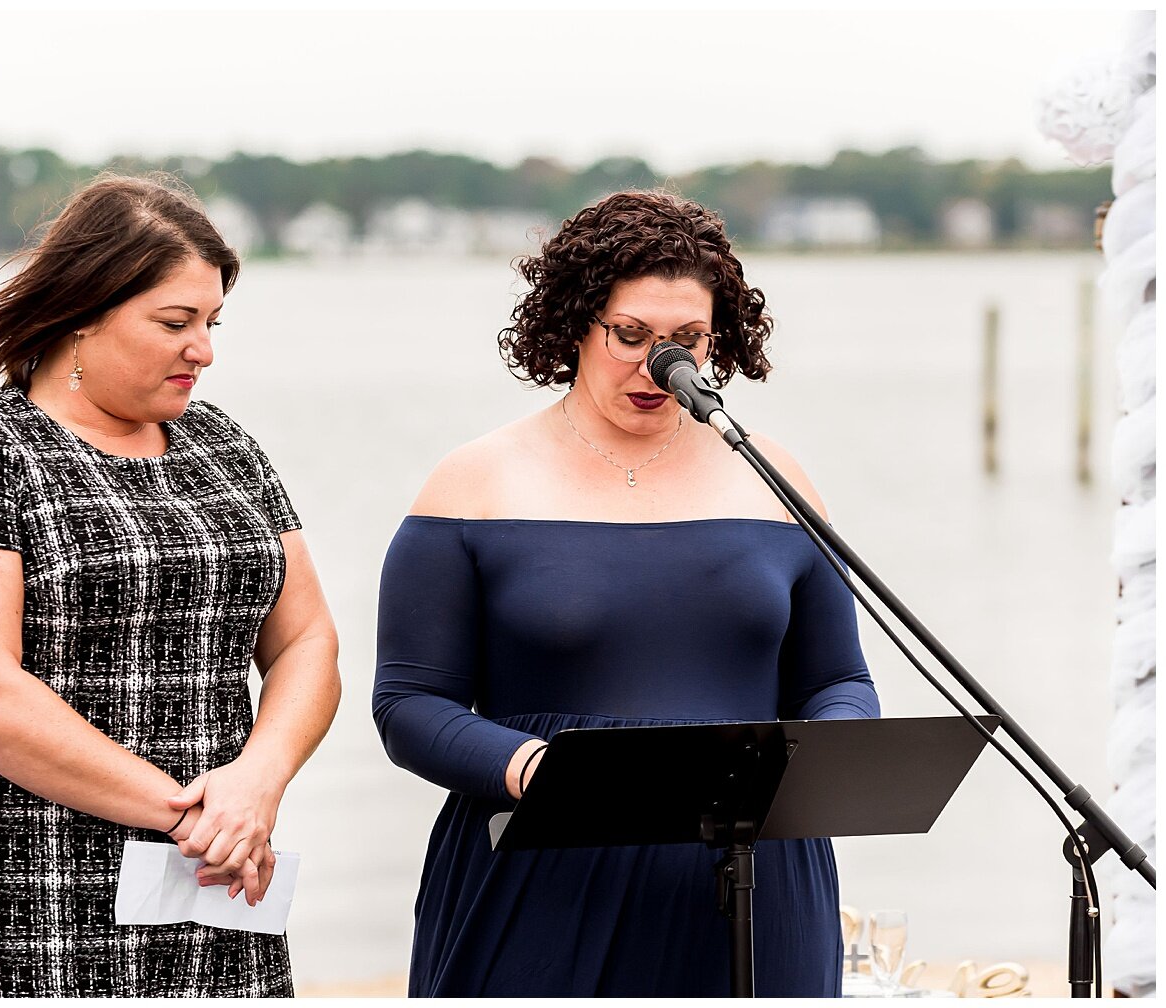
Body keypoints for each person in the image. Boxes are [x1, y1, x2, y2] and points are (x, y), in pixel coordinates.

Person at [372, 189, 879, 997]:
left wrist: (827, 762)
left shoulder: (773, 479)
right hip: (543, 874)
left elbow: (836, 681)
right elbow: (409, 706)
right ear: (575, 323)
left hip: (758, 872)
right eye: (631, 336)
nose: (658, 367)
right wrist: (534, 768)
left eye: (687, 341)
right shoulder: (474, 483)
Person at [0, 173, 340, 997]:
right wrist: (191, 818)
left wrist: (258, 781)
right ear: (81, 313)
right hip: (24, 883)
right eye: (175, 322)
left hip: (219, 879)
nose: (203, 349)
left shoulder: (220, 442)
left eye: (210, 322)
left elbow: (307, 639)